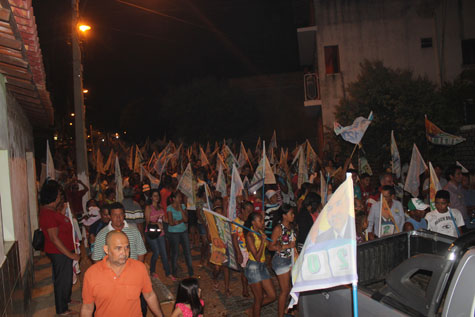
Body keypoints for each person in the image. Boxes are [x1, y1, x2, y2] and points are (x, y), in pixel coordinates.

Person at [80, 231, 163, 317]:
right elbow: (87, 307)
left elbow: (149, 296)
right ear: (106, 249)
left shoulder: (139, 268)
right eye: (118, 248)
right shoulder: (92, 274)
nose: (124, 252)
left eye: (127, 247)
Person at [39, 180, 80, 316]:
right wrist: (70, 254)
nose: (59, 197)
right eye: (58, 194)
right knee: (62, 280)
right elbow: (54, 238)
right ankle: (62, 309)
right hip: (59, 252)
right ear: (53, 195)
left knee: (66, 278)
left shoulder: (51, 211)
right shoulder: (48, 214)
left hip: (63, 252)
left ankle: (66, 300)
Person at [244, 212, 276, 317]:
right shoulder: (250, 236)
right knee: (259, 298)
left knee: (272, 295)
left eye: (262, 220)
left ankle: (251, 310)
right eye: (260, 220)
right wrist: (263, 242)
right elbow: (257, 257)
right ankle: (254, 312)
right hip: (253, 267)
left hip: (262, 266)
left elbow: (268, 249)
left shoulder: (261, 232)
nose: (263, 222)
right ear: (253, 222)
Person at [268, 204, 296, 317]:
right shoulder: (278, 228)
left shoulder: (291, 226)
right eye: (291, 214)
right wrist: (286, 246)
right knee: (284, 291)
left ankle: (286, 311)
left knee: (289, 289)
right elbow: (270, 246)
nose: (293, 215)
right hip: (281, 261)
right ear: (284, 215)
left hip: (289, 259)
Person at [145, 189, 173, 280]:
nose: (156, 197)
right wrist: (156, 223)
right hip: (151, 232)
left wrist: (172, 218)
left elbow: (164, 219)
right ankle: (152, 271)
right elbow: (148, 222)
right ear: (151, 197)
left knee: (164, 253)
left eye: (157, 195)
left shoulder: (160, 207)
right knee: (156, 252)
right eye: (154, 195)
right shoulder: (148, 208)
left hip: (160, 232)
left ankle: (168, 273)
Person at [167, 192, 194, 278]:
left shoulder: (182, 206)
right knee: (175, 253)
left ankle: (191, 272)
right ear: (174, 198)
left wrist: (180, 211)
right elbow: (171, 222)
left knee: (187, 252)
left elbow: (186, 219)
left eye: (180, 197)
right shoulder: (169, 208)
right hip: (173, 233)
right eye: (178, 197)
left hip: (183, 231)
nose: (180, 198)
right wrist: (180, 220)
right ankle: (174, 272)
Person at [231, 201, 253, 298]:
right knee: (245, 271)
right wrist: (238, 253)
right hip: (243, 250)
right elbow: (234, 239)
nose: (250, 213)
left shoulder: (251, 221)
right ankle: (245, 288)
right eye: (248, 211)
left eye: (251, 211)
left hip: (251, 248)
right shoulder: (236, 222)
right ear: (242, 210)